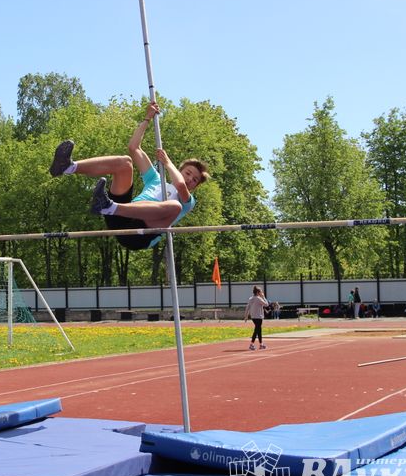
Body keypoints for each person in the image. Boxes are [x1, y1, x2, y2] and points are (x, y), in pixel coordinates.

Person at [49, 101, 210, 250]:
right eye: (188, 173)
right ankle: (68, 167)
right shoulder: (155, 179)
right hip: (120, 218)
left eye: (195, 179)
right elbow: (134, 147)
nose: (190, 179)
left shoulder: (187, 202)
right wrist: (147, 118)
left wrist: (167, 163)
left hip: (140, 235)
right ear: (181, 170)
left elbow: (181, 185)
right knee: (125, 162)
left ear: (196, 186)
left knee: (175, 207)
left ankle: (109, 206)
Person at [243, 286, 269, 351]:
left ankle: (261, 344)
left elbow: (247, 307)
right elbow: (266, 304)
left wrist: (246, 316)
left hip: (253, 317)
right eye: (260, 291)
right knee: (257, 330)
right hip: (259, 316)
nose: (261, 292)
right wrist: (263, 297)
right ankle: (252, 344)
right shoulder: (259, 299)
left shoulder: (250, 298)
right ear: (258, 292)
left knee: (258, 330)